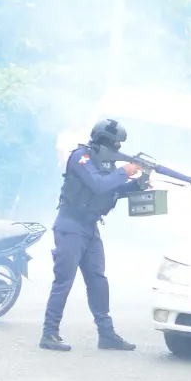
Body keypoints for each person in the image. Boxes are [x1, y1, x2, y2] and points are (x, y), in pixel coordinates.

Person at [40, 118, 146, 353]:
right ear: (106, 141)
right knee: (63, 281)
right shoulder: (81, 157)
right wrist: (123, 171)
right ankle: (49, 332)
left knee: (98, 281)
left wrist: (137, 185)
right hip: (70, 226)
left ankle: (106, 334)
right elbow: (98, 185)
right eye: (116, 145)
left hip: (90, 227)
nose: (118, 150)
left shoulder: (105, 164)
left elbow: (112, 189)